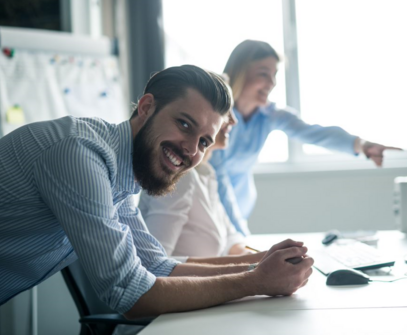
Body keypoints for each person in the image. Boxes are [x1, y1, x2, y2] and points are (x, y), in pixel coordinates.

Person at [0, 65, 313, 319]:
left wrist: (258, 264)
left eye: (204, 141)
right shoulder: (79, 153)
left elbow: (156, 264)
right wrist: (255, 281)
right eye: (185, 124)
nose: (192, 150)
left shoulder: (122, 170)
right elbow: (129, 293)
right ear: (147, 107)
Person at [210, 40, 401, 235]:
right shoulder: (215, 117)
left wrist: (362, 145)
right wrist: (240, 234)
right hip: (211, 205)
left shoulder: (269, 115)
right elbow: (218, 178)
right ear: (239, 72)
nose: (272, 83)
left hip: (241, 208)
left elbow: (313, 132)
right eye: (263, 74)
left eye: (274, 75)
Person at [139, 108, 261, 264]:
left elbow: (229, 235)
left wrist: (258, 259)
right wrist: (241, 267)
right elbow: (154, 263)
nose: (234, 120)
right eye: (226, 110)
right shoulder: (180, 177)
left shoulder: (207, 173)